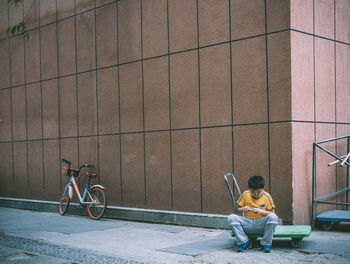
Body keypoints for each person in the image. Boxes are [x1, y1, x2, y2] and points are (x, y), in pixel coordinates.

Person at [227, 175, 279, 253]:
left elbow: (273, 213)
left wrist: (260, 211)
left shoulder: (266, 196)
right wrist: (243, 209)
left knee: (273, 217)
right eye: (252, 191)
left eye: (258, 192)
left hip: (262, 225)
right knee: (231, 217)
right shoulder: (245, 194)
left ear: (263, 189)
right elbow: (238, 209)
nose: (255, 194)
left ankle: (266, 243)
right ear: (249, 189)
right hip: (247, 223)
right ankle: (244, 242)